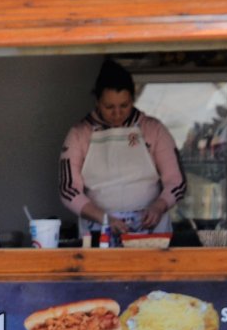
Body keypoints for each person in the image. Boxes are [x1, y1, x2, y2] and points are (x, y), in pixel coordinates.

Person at [59, 58, 187, 237]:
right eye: (109, 106)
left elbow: (176, 182)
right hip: (98, 228)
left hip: (149, 228)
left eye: (124, 105)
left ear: (133, 99)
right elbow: (68, 190)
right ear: (97, 101)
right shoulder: (79, 134)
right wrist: (104, 219)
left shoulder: (153, 129)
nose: (117, 113)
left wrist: (158, 207)